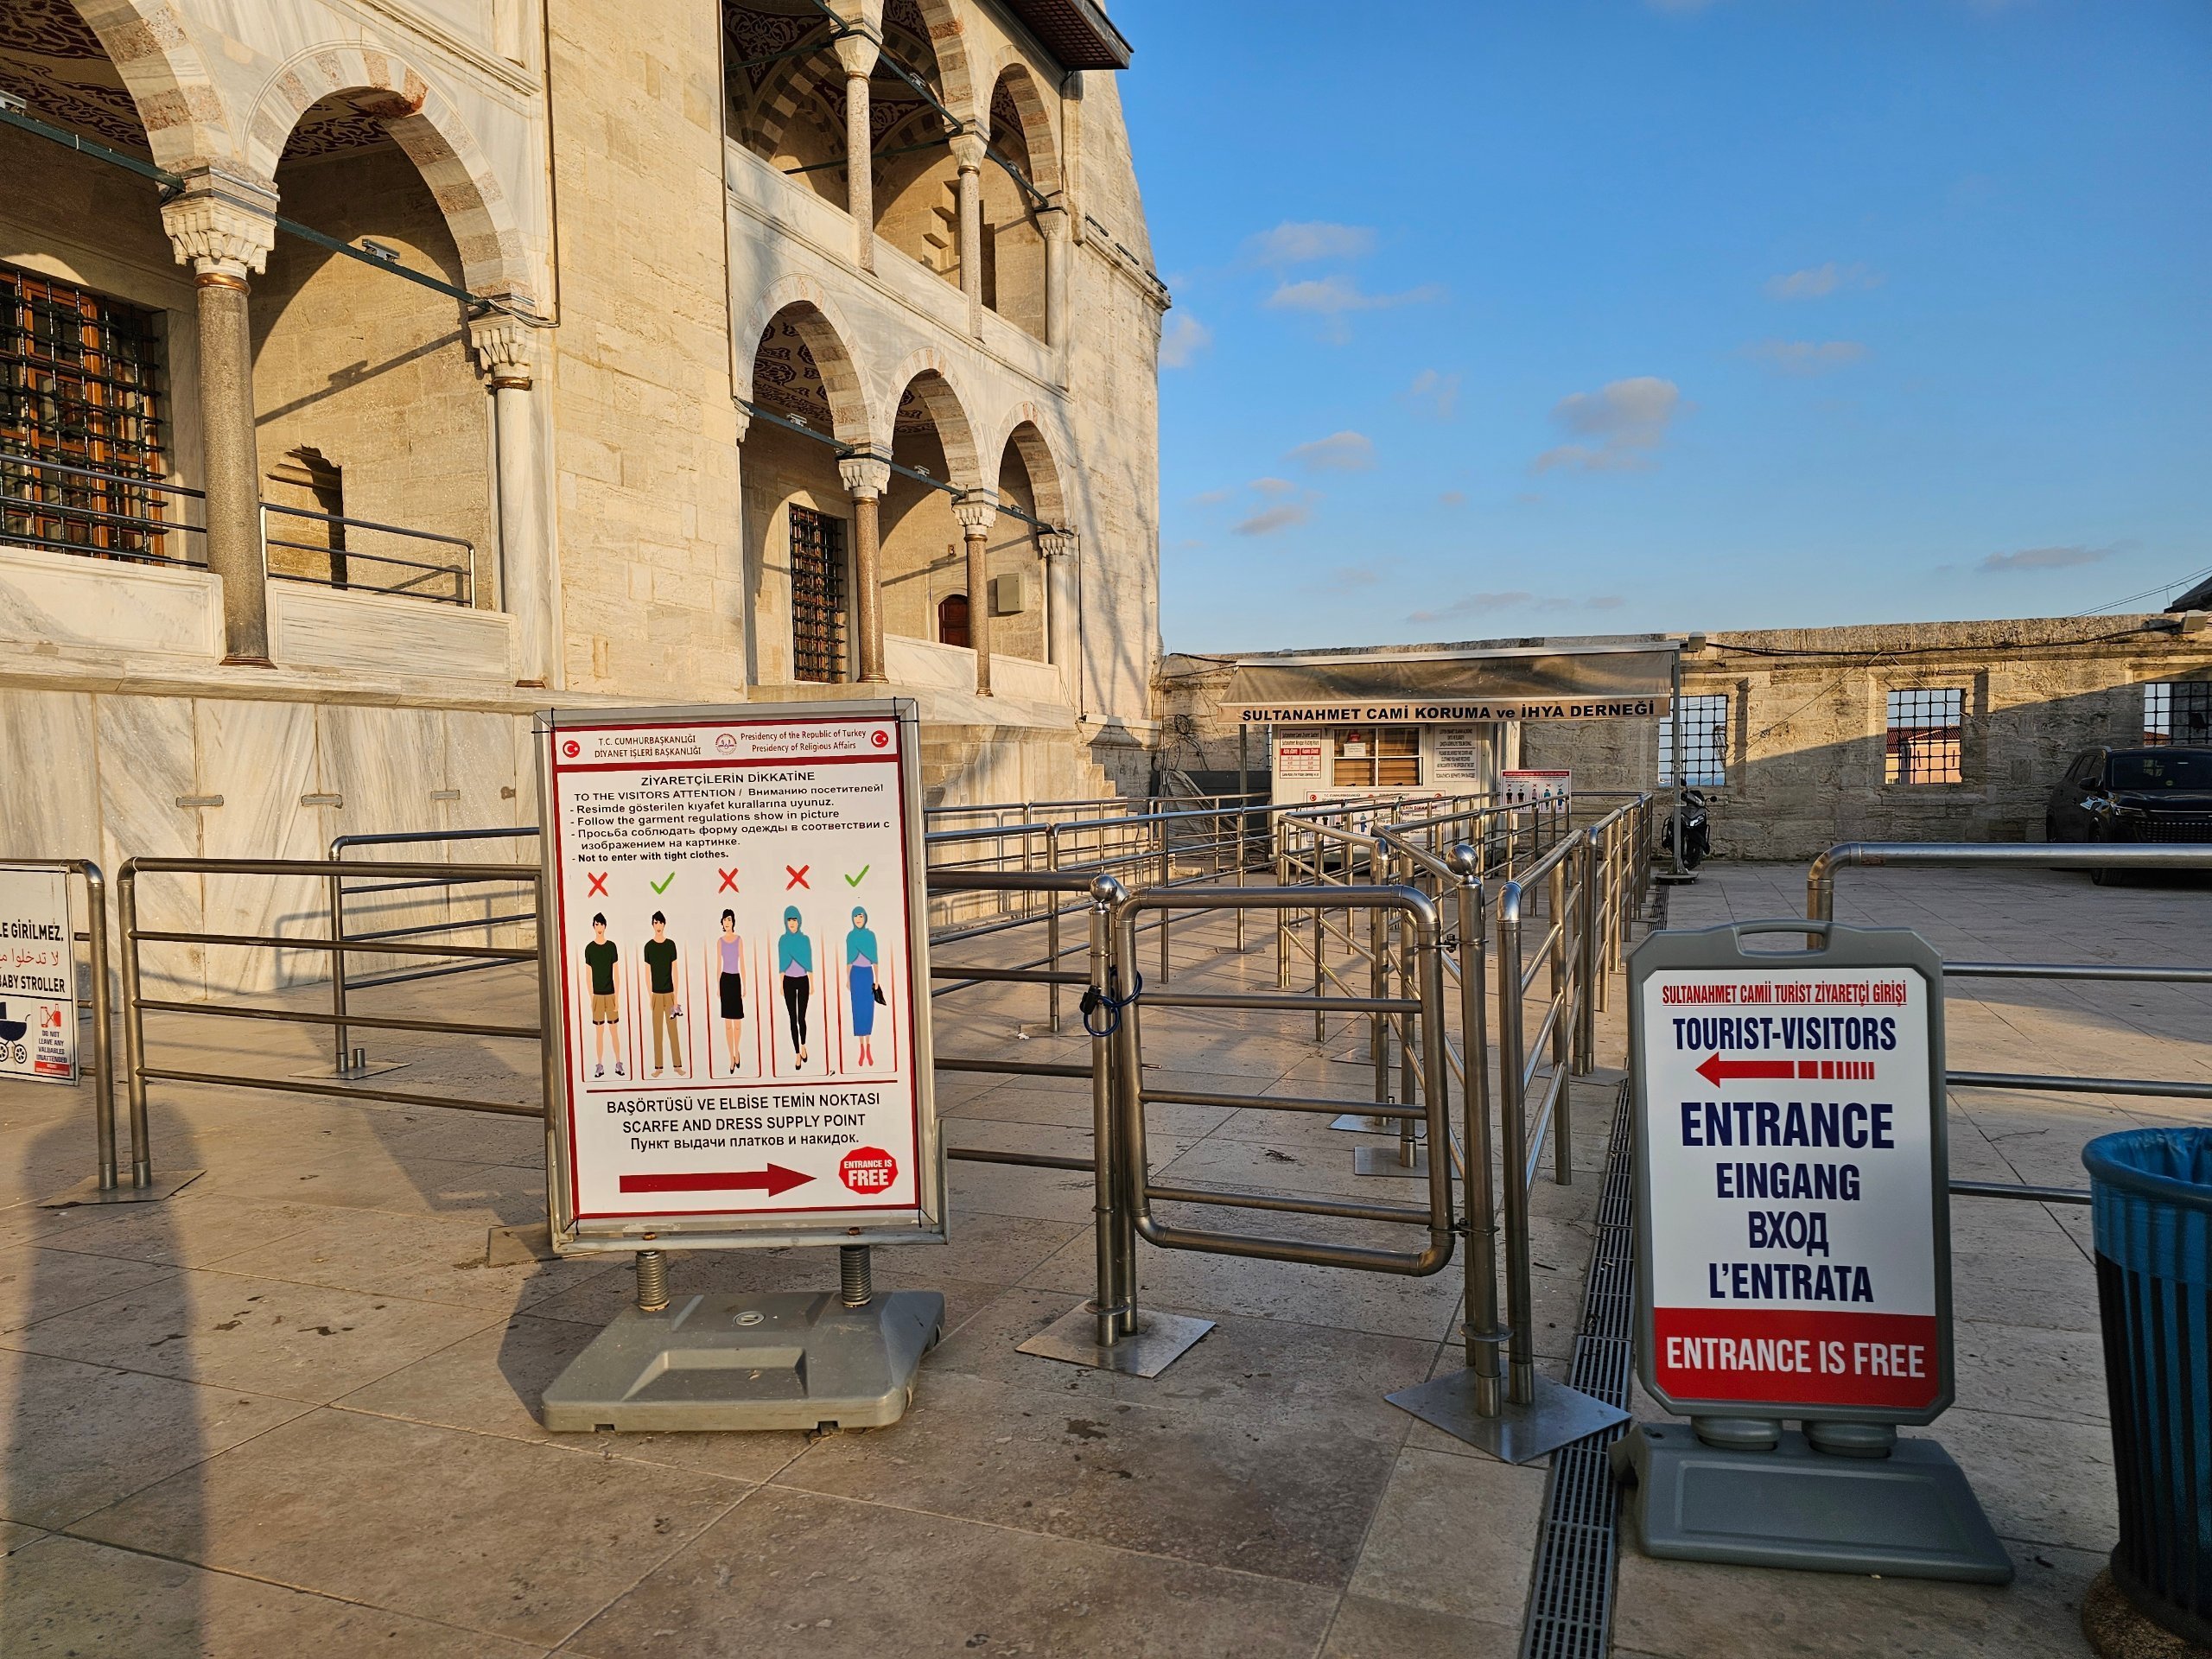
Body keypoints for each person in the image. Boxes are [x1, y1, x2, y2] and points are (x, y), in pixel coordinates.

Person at [641, 912, 683, 1077]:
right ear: (653, 925)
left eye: (660, 923)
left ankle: (677, 1066)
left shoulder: (671, 945)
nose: (658, 926)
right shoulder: (648, 947)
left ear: (664, 924)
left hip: (670, 993)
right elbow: (647, 973)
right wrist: (650, 995)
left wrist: (676, 997)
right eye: (655, 923)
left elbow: (675, 972)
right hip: (656, 995)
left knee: (673, 1031)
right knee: (657, 1031)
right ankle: (658, 1067)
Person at [582, 913, 623, 1078]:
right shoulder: (589, 949)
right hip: (597, 995)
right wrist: (591, 997)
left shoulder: (611, 947)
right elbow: (588, 975)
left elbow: (616, 974)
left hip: (611, 994)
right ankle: (600, 1065)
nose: (599, 927)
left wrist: (617, 998)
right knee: (599, 1033)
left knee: (614, 1031)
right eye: (596, 925)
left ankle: (618, 1063)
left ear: (605, 926)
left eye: (601, 924)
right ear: (593, 927)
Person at [845, 906, 880, 1067]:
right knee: (858, 1010)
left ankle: (869, 1047)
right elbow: (849, 961)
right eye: (856, 917)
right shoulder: (851, 936)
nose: (858, 920)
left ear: (865, 917)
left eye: (860, 916)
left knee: (868, 1009)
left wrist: (877, 979)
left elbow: (875, 959)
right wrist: (848, 979)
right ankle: (861, 1049)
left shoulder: (870, 936)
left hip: (867, 974)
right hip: (856, 974)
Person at [778, 905, 812, 1065]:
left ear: (799, 921)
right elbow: (781, 964)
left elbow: (809, 962)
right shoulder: (783, 940)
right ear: (785, 922)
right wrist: (781, 984)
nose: (792, 923)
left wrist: (812, 983)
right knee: (792, 1018)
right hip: (788, 982)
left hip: (803, 980)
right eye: (789, 920)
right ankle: (797, 1053)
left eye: (794, 920)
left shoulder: (805, 940)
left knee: (801, 1018)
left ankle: (803, 1044)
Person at [715, 908, 745, 1072]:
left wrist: (745, 984)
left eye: (729, 920)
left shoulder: (739, 940)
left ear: (733, 922)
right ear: (722, 922)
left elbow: (743, 962)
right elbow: (718, 964)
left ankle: (737, 1050)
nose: (727, 923)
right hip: (725, 980)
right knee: (728, 1024)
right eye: (725, 920)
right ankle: (731, 1056)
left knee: (737, 1023)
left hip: (736, 979)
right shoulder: (720, 942)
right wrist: (718, 985)